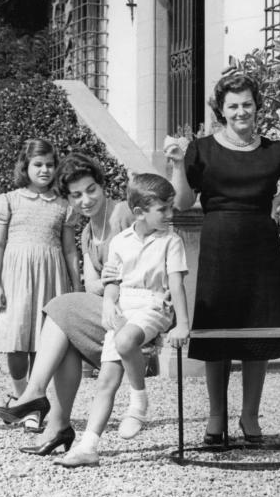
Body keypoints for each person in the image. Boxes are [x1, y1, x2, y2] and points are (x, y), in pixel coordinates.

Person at [167, 72, 280, 445]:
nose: (241, 111)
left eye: (247, 104)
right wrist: (175, 166)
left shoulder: (273, 150)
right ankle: (216, 417)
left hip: (261, 249)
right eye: (233, 105)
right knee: (217, 332)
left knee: (258, 332)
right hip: (218, 246)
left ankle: (250, 417)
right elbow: (183, 203)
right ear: (221, 110)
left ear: (256, 106)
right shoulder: (201, 149)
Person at [0, 153, 132, 456]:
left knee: (60, 306)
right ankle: (58, 426)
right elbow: (96, 285)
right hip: (111, 315)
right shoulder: (85, 234)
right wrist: (109, 280)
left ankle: (34, 393)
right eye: (76, 195)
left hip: (136, 317)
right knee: (66, 330)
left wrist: (112, 280)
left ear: (103, 185)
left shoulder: (121, 214)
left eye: (91, 189)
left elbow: (137, 268)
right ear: (68, 199)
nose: (86, 200)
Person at [54, 173, 190, 467]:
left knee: (126, 339)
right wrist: (108, 303)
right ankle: (88, 446)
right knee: (106, 380)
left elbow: (176, 284)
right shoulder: (120, 242)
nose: (170, 214)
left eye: (170, 207)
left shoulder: (171, 241)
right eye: (162, 209)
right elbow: (112, 281)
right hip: (124, 309)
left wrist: (183, 324)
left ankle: (139, 401)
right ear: (140, 213)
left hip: (154, 306)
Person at [0, 138, 81, 431]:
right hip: (15, 278)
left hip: (50, 276)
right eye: (38, 164)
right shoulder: (8, 201)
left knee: (44, 343)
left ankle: (34, 407)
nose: (44, 170)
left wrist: (76, 288)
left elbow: (69, 249)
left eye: (50, 165)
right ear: (25, 166)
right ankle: (21, 395)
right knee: (16, 342)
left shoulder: (64, 206)